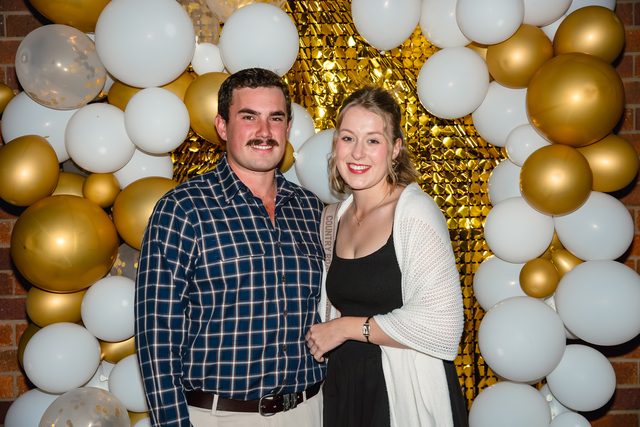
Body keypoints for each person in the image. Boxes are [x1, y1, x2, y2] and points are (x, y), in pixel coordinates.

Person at [135, 67, 326, 427]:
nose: (264, 132)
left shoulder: (311, 209)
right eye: (249, 117)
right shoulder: (183, 209)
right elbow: (156, 336)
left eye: (275, 118)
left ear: (287, 128)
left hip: (308, 410)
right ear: (222, 127)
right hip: (220, 416)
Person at [306, 86, 467, 427]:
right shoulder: (333, 218)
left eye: (373, 140)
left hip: (403, 391)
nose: (358, 153)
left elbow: (443, 325)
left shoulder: (415, 212)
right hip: (345, 387)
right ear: (335, 145)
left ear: (395, 149)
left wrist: (345, 328)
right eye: (348, 138)